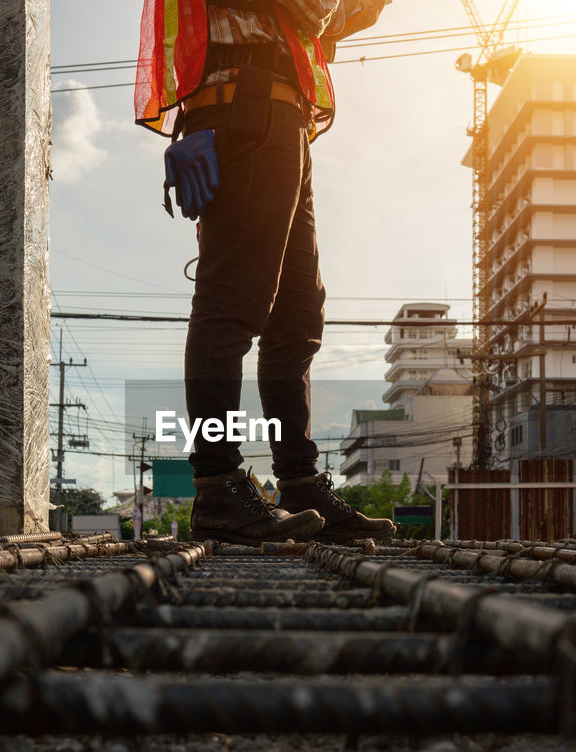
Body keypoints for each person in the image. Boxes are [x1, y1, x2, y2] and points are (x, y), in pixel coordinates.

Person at [135, 0, 397, 545]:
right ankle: (217, 484)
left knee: (297, 316)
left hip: (280, 115)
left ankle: (299, 484)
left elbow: (326, 22)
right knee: (232, 303)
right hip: (242, 109)